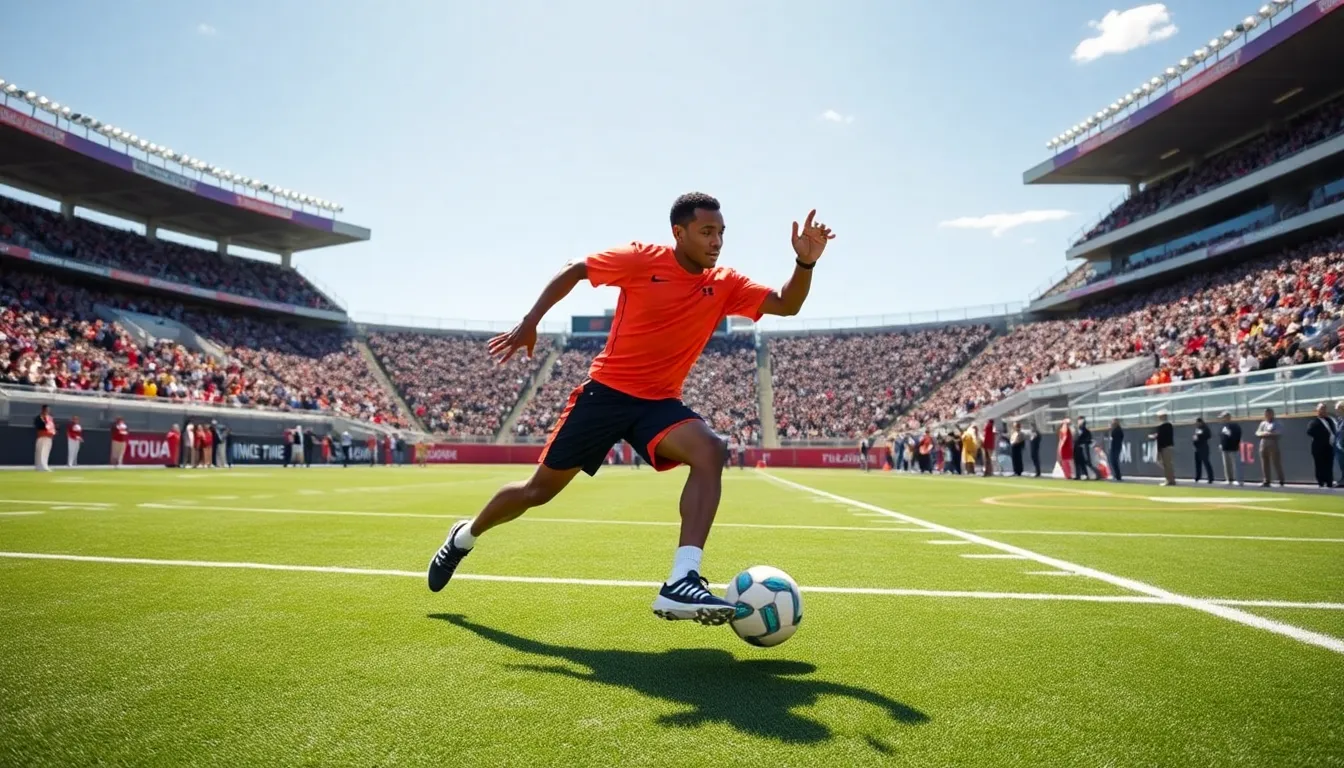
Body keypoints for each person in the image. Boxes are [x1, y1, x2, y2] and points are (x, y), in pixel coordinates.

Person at [426, 194, 835, 625]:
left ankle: (682, 579)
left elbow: (787, 303)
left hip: (658, 402)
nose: (716, 242)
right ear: (679, 233)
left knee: (711, 449)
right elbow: (575, 268)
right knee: (536, 492)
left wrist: (804, 263)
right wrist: (531, 321)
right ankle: (464, 536)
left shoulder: (726, 282)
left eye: (721, 233)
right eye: (706, 232)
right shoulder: (642, 260)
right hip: (606, 395)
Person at [1307, 403, 1338, 488]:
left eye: (1324, 409)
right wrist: (1323, 436)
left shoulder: (1329, 420)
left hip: (1329, 446)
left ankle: (1329, 481)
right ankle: (1321, 481)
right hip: (1318, 447)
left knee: (1329, 464)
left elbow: (1333, 430)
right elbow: (1310, 432)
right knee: (1320, 465)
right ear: (1317, 410)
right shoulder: (1314, 422)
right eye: (1321, 409)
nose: (1323, 411)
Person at [1256, 408, 1285, 487]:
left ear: (1272, 414)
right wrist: (1264, 433)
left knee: (1276, 462)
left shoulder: (1277, 423)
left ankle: (1281, 480)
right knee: (1264, 463)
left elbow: (1279, 432)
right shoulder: (1263, 423)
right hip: (1263, 444)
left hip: (1273, 444)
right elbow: (1257, 432)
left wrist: (1269, 434)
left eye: (1269, 414)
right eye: (1266, 414)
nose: (1267, 415)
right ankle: (1266, 480)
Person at [1148, 411, 1175, 486]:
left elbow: (1161, 436)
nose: (1158, 418)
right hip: (1163, 446)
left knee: (1167, 464)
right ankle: (1170, 478)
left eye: (1159, 416)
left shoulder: (1166, 425)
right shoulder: (1163, 425)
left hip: (1166, 446)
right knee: (1162, 462)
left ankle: (1169, 479)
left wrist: (1154, 436)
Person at [1218, 412, 1243, 486]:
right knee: (1227, 465)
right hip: (1225, 448)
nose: (1222, 419)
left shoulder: (1234, 426)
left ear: (1228, 417)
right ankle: (1229, 480)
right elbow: (1223, 437)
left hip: (1233, 448)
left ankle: (1239, 481)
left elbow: (1237, 436)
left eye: (1223, 418)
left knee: (1236, 465)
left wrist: (1234, 444)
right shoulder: (1224, 427)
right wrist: (1221, 444)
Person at [1193, 417, 1215, 484]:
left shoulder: (1205, 428)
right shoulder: (1197, 429)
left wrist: (1200, 436)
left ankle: (1210, 478)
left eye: (1197, 422)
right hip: (1197, 448)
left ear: (1200, 422)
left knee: (1206, 462)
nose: (1196, 424)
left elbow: (1208, 435)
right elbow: (1195, 436)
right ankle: (1198, 477)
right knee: (1198, 463)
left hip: (1203, 447)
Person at [34, 405, 56, 472]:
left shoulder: (50, 418)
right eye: (46, 409)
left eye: (48, 410)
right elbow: (39, 426)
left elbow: (52, 426)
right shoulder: (39, 417)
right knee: (40, 452)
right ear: (43, 410)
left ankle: (44, 466)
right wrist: (45, 424)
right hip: (42, 436)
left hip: (49, 436)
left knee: (46, 452)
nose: (48, 411)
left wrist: (53, 431)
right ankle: (39, 466)